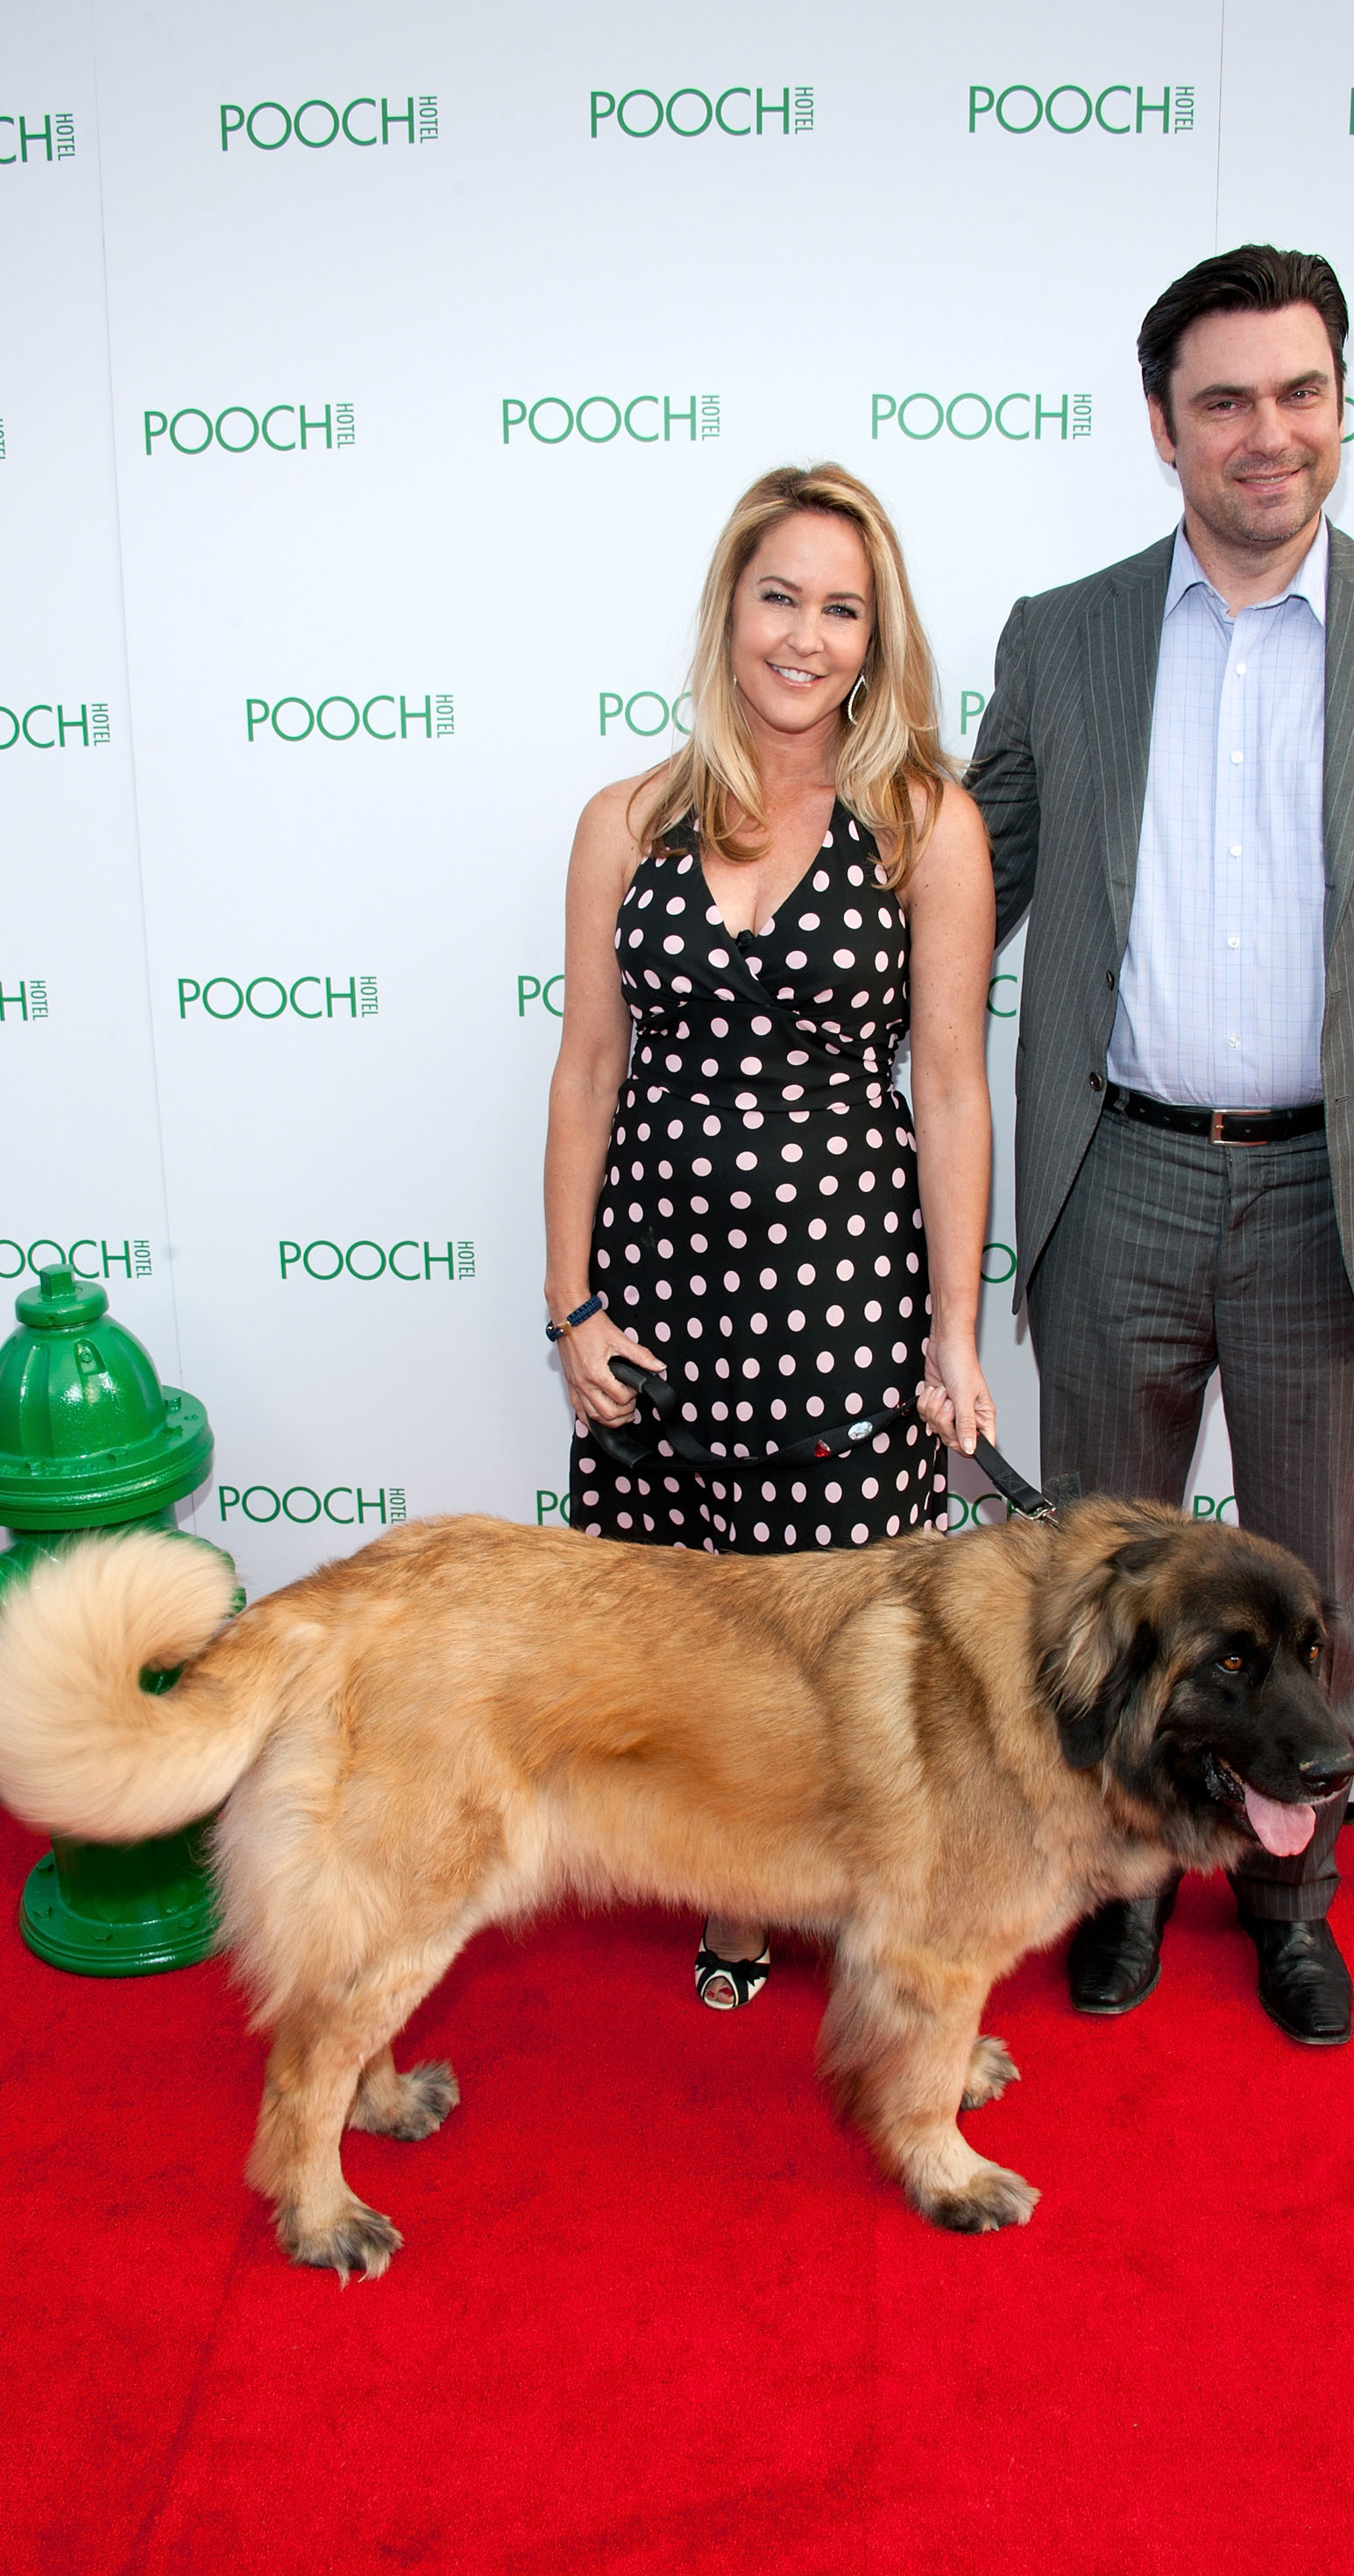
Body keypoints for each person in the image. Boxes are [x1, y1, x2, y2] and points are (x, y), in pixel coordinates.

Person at [967, 246, 1354, 2045]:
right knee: (1100, 1589)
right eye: (1224, 401)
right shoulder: (1059, 635)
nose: (1265, 433)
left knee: (1312, 1581)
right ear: (1164, 429)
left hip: (1340, 1194)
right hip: (1112, 1178)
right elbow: (963, 877)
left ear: (1341, 407)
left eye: (1299, 393)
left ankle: (1294, 1896)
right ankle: (1120, 1880)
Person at [544, 462, 997, 2009]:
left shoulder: (925, 825)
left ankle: (881, 1906)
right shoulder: (627, 820)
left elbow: (947, 1086)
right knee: (685, 1634)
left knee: (850, 1642)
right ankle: (734, 1899)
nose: (805, 637)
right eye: (780, 597)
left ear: (879, 641)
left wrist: (952, 1332)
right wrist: (569, 1309)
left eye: (842, 609)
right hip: (658, 1287)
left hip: (841, 1295)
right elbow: (589, 1066)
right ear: (730, 609)